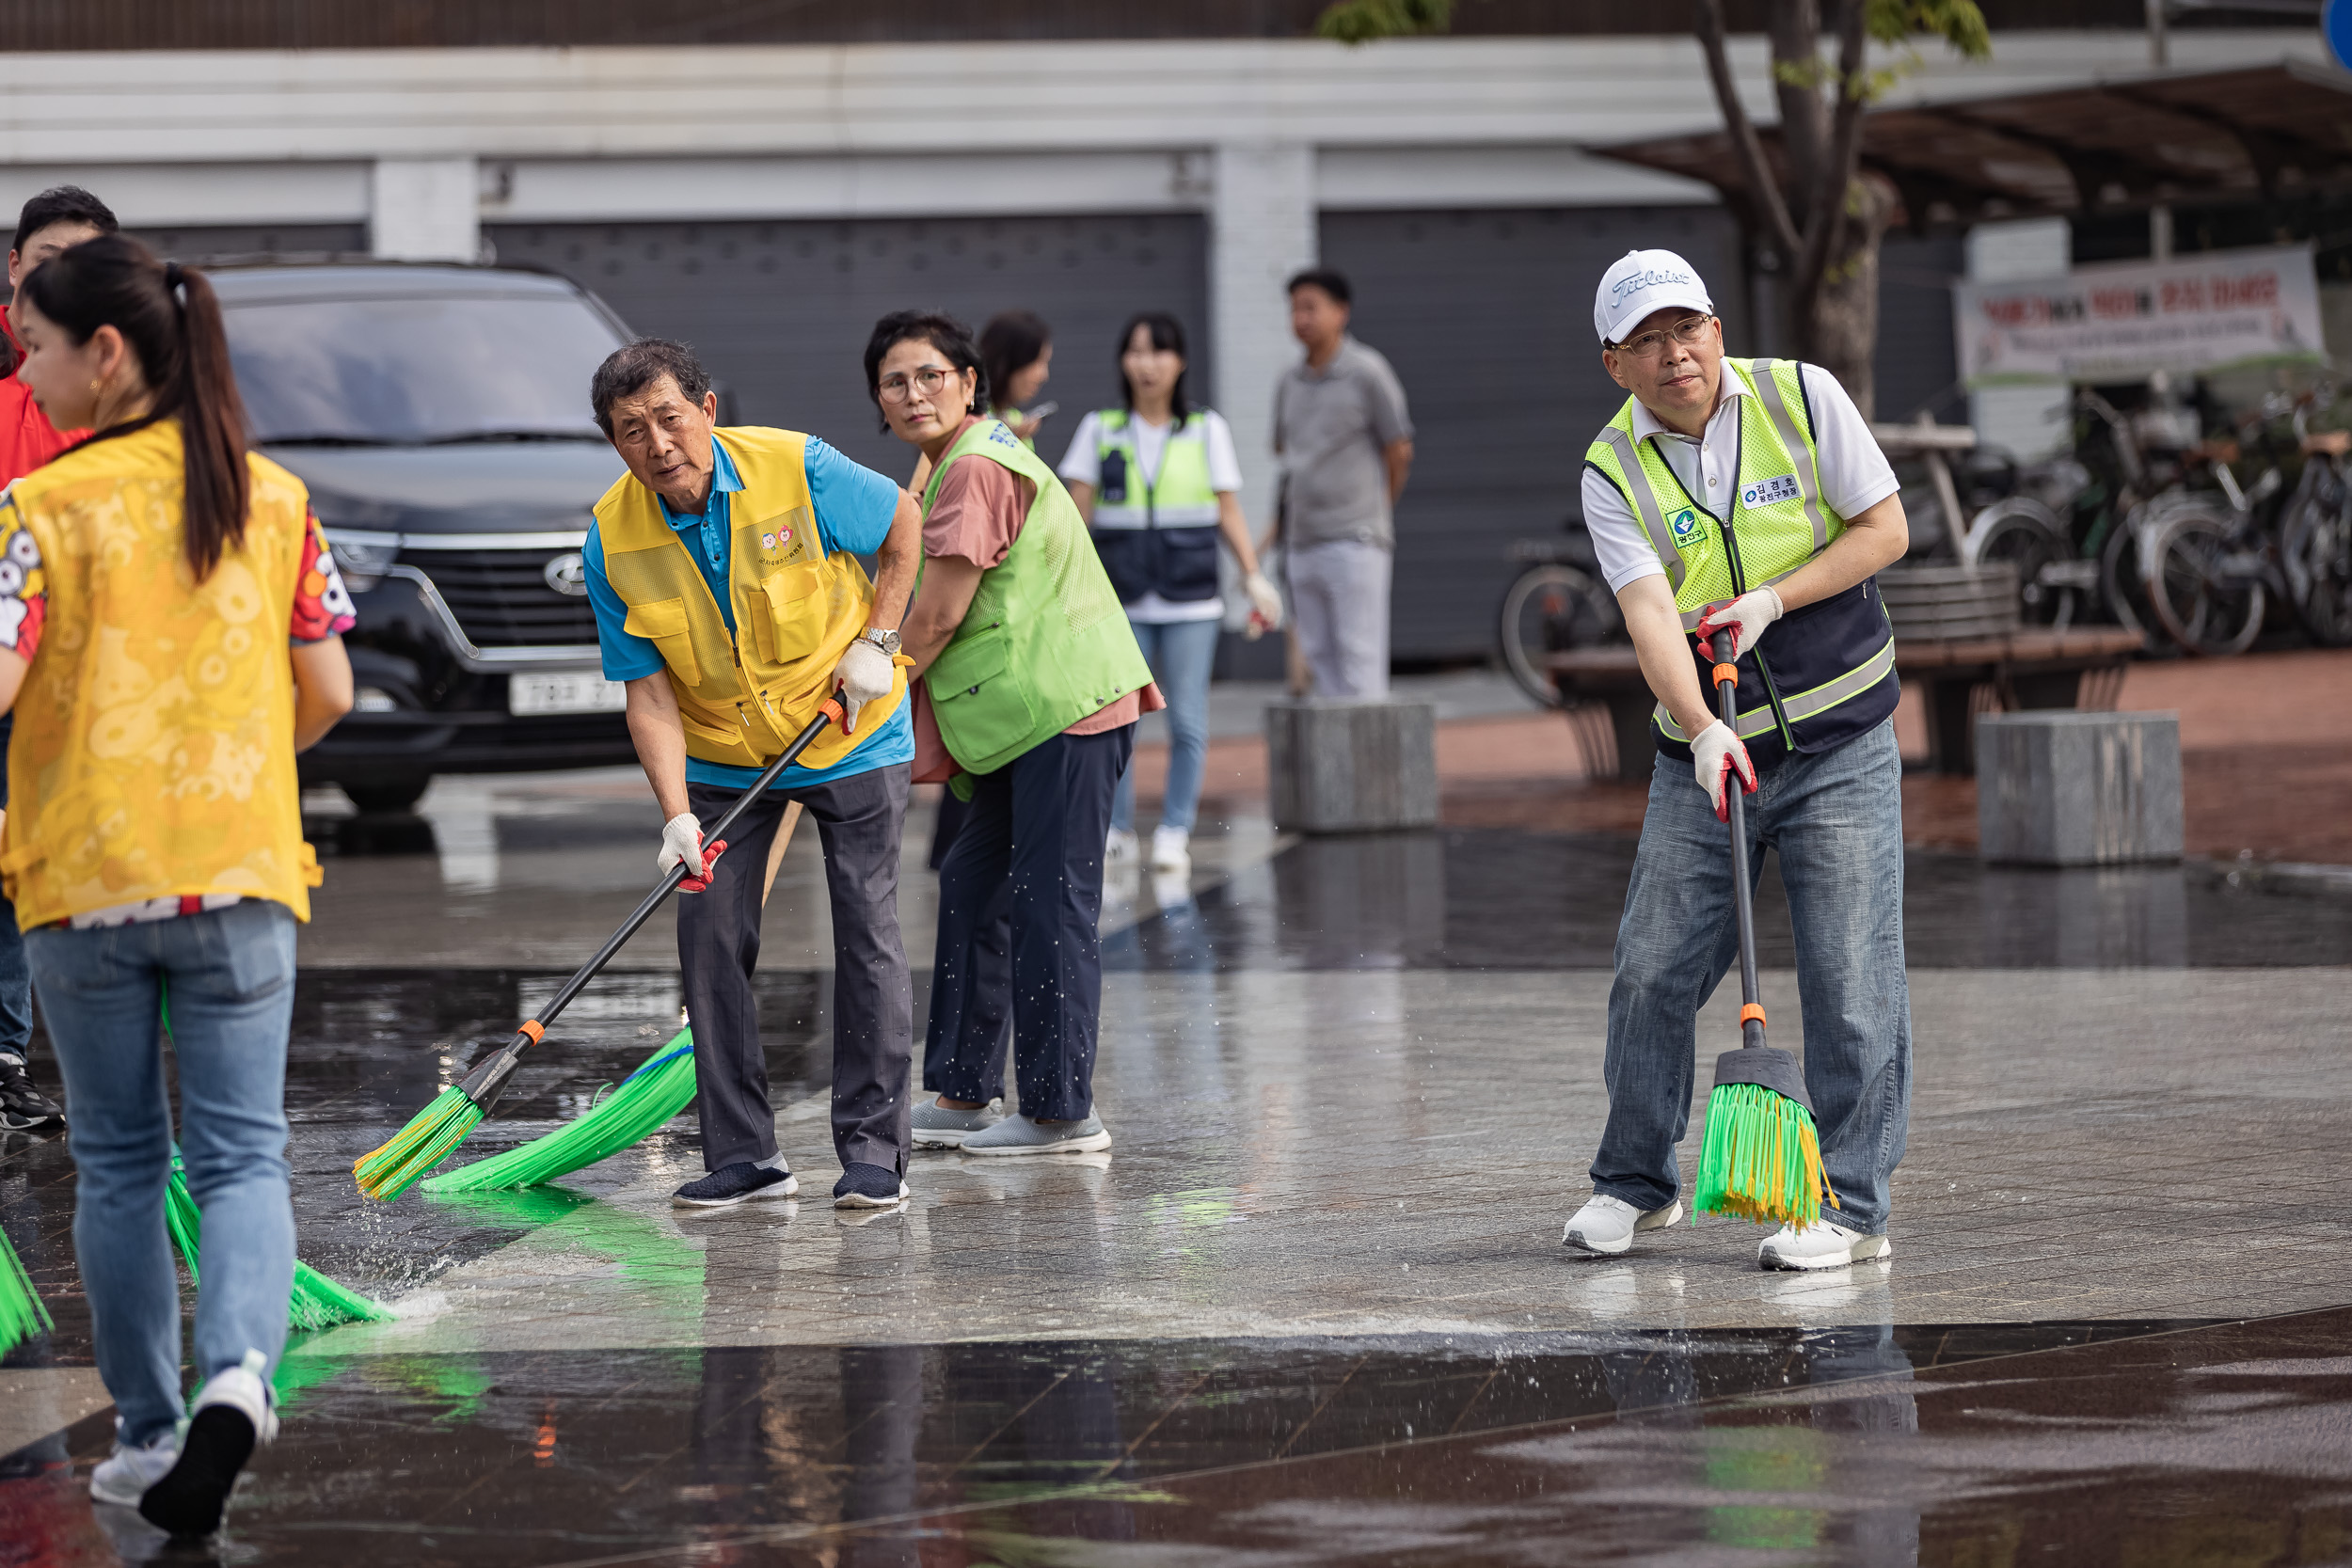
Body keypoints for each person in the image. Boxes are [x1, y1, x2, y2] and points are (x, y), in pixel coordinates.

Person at [0, 234, 356, 1533]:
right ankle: (241, 1377)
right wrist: (242, 774)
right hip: (242, 870)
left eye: (32, 345)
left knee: (116, 1161)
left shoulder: (37, 513)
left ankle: (149, 1432)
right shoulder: (274, 499)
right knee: (242, 1154)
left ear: (104, 352)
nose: (26, 376)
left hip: (81, 884)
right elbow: (329, 690)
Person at [1560, 249, 1912, 1272]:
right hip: (1706, 758)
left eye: (1689, 328)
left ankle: (1850, 1207)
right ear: (1613, 361)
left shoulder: (1801, 395)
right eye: (1647, 342)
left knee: (1852, 979)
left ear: (1716, 326)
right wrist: (1701, 728)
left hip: (1840, 736)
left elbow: (1884, 527)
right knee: (1651, 970)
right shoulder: (1610, 467)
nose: (1676, 355)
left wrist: (1773, 598)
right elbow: (1646, 615)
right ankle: (1634, 1183)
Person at [584, 338, 926, 1212]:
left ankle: (875, 1152)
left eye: (669, 417)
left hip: (847, 726)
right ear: (614, 444)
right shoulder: (610, 539)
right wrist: (675, 819)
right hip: (722, 757)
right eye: (631, 431)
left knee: (866, 928)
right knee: (707, 934)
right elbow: (648, 693)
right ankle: (746, 1155)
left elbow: (902, 529)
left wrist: (877, 643)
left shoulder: (794, 466)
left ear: (705, 408)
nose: (658, 443)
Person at [868, 310, 1157, 1156]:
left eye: (930, 374)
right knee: (971, 880)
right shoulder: (940, 469)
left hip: (1065, 709)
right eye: (895, 380)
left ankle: (1063, 1112)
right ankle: (961, 1093)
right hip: (1014, 719)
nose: (914, 392)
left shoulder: (977, 469)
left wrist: (868, 685)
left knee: (1049, 903)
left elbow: (939, 615)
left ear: (966, 380)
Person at [1059, 311, 1281, 873]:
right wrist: (1062, 586)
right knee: (1119, 720)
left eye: (1158, 351)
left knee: (1188, 722)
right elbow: (1073, 512)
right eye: (1135, 351)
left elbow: (1227, 507)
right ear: (1122, 362)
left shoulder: (1206, 429)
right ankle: (1119, 826)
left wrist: (1252, 573)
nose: (1147, 363)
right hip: (1120, 600)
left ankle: (1175, 831)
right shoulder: (1100, 427)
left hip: (1191, 601)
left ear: (1179, 361)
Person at [0, 184, 118, 1136]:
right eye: (46, 255)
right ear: (14, 270)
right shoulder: (18, 396)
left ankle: (17, 1055)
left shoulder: (129, 409)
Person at [1265, 266, 1413, 700]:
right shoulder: (1288, 382)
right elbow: (1286, 457)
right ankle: (1334, 769)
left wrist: (1377, 511)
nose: (1301, 318)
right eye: (1295, 309)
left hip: (1355, 540)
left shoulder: (1367, 372)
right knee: (1318, 661)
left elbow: (1399, 450)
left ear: (1341, 312)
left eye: (1311, 307)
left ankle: (1371, 769)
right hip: (1301, 542)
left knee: (1360, 663)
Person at [979, 309, 1055, 446]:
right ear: (1008, 360)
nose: (1044, 376)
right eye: (1037, 362)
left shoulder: (1016, 421)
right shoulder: (967, 418)